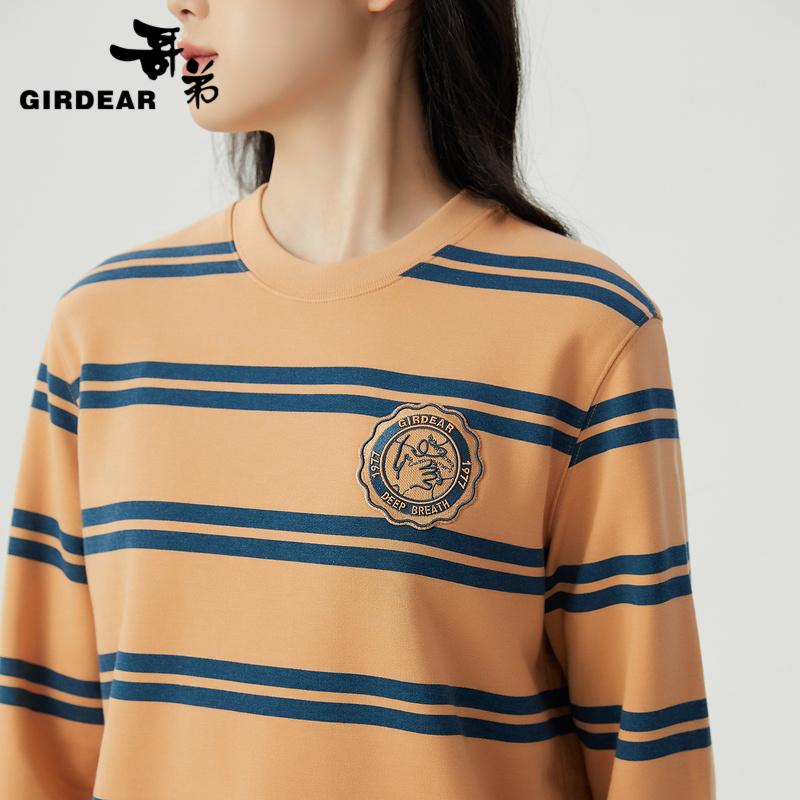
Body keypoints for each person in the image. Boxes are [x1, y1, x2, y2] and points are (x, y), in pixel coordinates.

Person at [0, 0, 715, 797]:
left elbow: (650, 752)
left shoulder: (579, 328)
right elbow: (37, 754)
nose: (178, 4)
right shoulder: (105, 330)